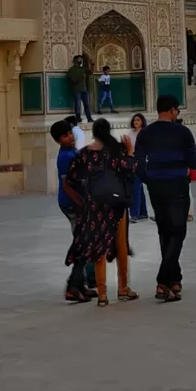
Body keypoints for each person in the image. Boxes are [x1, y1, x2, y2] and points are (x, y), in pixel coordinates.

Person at [133, 94, 196, 301]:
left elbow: (138, 164)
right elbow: (194, 160)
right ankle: (163, 280)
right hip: (177, 185)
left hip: (156, 186)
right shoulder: (182, 132)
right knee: (178, 231)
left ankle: (174, 279)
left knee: (164, 231)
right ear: (173, 110)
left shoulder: (146, 133)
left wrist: (149, 179)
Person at [63, 119, 138, 307]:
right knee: (121, 245)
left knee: (99, 249)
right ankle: (122, 289)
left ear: (94, 133)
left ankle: (103, 295)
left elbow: (71, 179)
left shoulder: (83, 154)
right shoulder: (116, 150)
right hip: (117, 204)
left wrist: (84, 200)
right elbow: (130, 169)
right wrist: (130, 152)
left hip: (94, 205)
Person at [53, 119, 95, 302]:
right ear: (58, 140)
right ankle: (73, 285)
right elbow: (68, 186)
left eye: (70, 133)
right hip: (72, 204)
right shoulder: (65, 157)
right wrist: (82, 205)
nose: (69, 137)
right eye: (65, 135)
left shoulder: (72, 152)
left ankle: (80, 285)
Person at [124, 113, 150, 221]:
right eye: (134, 120)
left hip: (144, 161)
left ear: (142, 122)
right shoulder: (131, 133)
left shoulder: (146, 133)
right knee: (137, 187)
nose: (136, 122)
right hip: (133, 160)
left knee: (136, 187)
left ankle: (135, 214)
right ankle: (142, 212)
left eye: (138, 120)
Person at [66, 55, 92, 122]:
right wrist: (76, 79)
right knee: (78, 105)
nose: (80, 60)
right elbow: (71, 79)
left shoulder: (83, 69)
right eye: (79, 59)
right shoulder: (71, 70)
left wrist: (92, 65)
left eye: (81, 59)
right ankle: (78, 118)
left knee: (87, 105)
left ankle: (89, 118)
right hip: (77, 90)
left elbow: (91, 72)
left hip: (84, 89)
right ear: (75, 60)